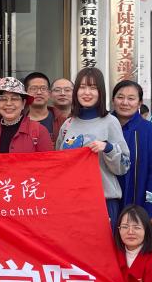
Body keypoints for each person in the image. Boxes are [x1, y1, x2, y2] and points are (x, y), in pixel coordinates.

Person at [56, 68, 130, 231]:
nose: (87, 92)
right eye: (82, 87)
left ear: (100, 92)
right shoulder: (68, 124)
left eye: (93, 87)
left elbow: (124, 166)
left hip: (103, 201)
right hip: (71, 202)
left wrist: (108, 148)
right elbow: (58, 164)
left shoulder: (110, 122)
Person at [112, 80, 152, 245]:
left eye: (131, 98)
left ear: (139, 103)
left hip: (140, 201)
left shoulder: (150, 131)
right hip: (108, 202)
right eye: (120, 97)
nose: (125, 102)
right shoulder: (104, 126)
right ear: (113, 100)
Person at [0, 77, 53, 154]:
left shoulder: (40, 131)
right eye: (3, 99)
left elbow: (48, 160)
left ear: (23, 103)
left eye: (14, 99)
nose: (8, 103)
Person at [24, 72, 56, 137]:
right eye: (33, 88)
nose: (39, 92)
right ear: (25, 93)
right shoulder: (18, 120)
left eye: (43, 88)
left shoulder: (61, 120)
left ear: (49, 94)